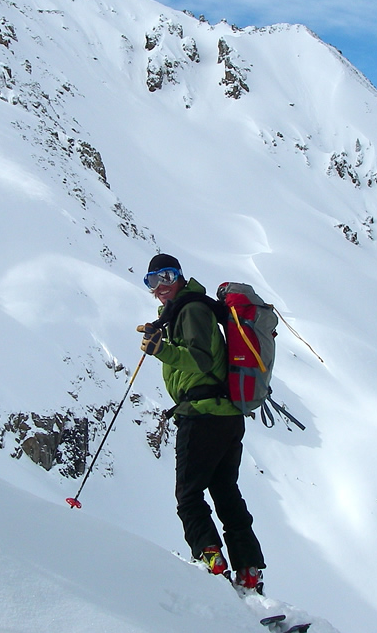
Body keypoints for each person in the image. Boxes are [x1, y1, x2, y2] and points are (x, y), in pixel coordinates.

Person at [138, 253, 266, 592]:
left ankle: (211, 558)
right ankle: (248, 569)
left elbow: (200, 358)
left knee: (189, 494)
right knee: (225, 491)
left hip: (203, 415)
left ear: (179, 276)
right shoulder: (187, 308)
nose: (160, 287)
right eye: (153, 281)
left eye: (166, 277)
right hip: (226, 416)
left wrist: (161, 349)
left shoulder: (192, 309)